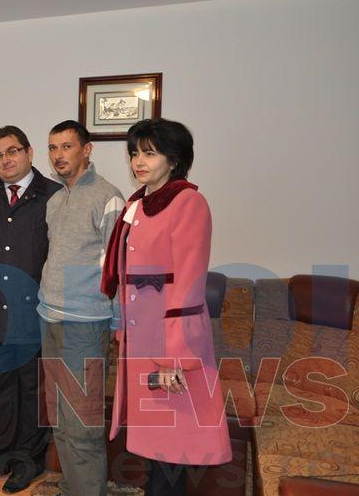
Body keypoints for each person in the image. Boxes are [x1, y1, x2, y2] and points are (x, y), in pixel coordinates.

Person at [102, 118, 231, 495]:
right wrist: (123, 329)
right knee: (155, 445)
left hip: (172, 344)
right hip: (142, 342)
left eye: (149, 153)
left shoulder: (188, 202)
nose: (138, 162)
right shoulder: (138, 204)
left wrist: (174, 356)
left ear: (174, 159)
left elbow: (188, 285)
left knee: (173, 444)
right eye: (134, 153)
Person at [0, 126, 61, 494]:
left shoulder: (54, 196)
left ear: (29, 152)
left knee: (32, 395)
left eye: (12, 151)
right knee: (0, 393)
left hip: (36, 317)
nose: (5, 160)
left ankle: (27, 463)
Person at [37, 120, 124, 496]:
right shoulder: (55, 200)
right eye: (53, 147)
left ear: (87, 150)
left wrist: (118, 323)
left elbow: (119, 268)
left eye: (67, 146)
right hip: (49, 318)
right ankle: (74, 488)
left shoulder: (108, 197)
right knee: (59, 416)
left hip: (85, 324)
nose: (58, 155)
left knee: (82, 422)